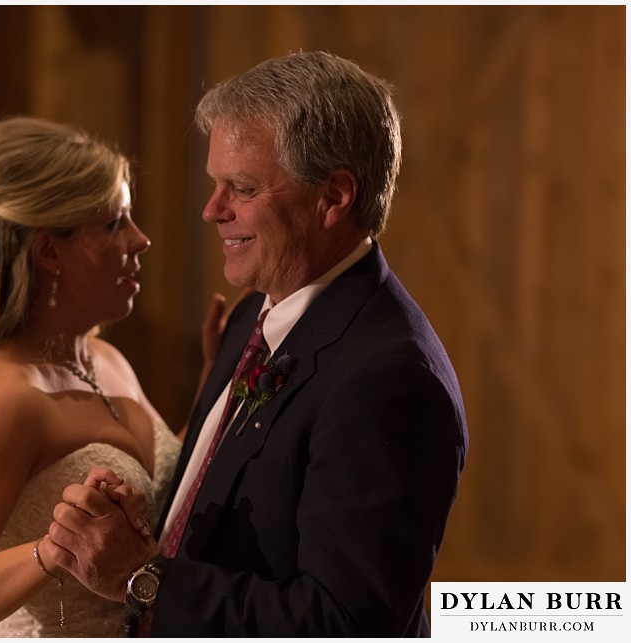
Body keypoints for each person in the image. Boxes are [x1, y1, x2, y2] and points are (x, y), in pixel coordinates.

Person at [45, 51, 469, 637]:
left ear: (334, 197)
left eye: (240, 188)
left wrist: (143, 578)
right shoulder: (252, 316)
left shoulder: (389, 376)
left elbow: (343, 624)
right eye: (216, 184)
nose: (211, 210)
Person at [0, 116, 183, 637]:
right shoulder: (0, 395)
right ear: (49, 251)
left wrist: (223, 377)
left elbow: (160, 484)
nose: (141, 241)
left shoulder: (105, 360)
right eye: (115, 223)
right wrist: (51, 551)